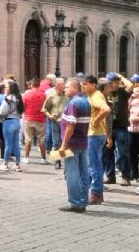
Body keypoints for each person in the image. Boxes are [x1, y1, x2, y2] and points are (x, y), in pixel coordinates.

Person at [58, 77, 91, 212]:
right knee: (83, 172)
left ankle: (75, 202)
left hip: (73, 143)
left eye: (67, 87)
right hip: (83, 142)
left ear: (75, 88)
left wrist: (64, 144)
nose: (65, 89)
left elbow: (71, 125)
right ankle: (83, 200)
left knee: (72, 173)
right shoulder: (85, 102)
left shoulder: (73, 103)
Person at [84, 76, 112, 204]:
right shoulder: (95, 95)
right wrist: (107, 136)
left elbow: (106, 110)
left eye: (86, 84)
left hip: (94, 135)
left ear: (94, 85)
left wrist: (95, 120)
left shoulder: (95, 96)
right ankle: (93, 191)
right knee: (94, 163)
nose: (83, 86)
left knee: (94, 164)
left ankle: (95, 193)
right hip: (96, 134)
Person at [105, 72, 135, 185]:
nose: (116, 84)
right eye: (114, 82)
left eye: (117, 82)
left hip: (121, 126)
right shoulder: (104, 92)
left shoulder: (122, 92)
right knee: (107, 152)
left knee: (123, 152)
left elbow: (130, 86)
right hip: (108, 126)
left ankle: (126, 177)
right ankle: (110, 176)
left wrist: (121, 76)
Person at [0, 80, 24, 172]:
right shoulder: (19, 98)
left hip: (8, 122)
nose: (5, 89)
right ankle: (17, 165)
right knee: (16, 145)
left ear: (11, 89)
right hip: (17, 122)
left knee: (8, 144)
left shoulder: (8, 98)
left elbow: (2, 111)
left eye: (7, 87)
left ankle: (5, 164)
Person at [41, 78, 67, 169]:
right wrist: (49, 115)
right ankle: (57, 161)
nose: (64, 86)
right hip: (55, 121)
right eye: (63, 84)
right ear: (57, 86)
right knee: (56, 142)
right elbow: (44, 109)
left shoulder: (67, 96)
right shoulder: (51, 96)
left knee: (66, 141)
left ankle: (68, 162)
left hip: (66, 122)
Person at [21, 78, 47, 164]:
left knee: (28, 139)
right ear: (39, 85)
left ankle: (26, 158)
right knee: (41, 139)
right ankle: (43, 158)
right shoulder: (43, 95)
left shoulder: (26, 94)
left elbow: (23, 106)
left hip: (29, 118)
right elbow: (46, 107)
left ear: (31, 85)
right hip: (40, 118)